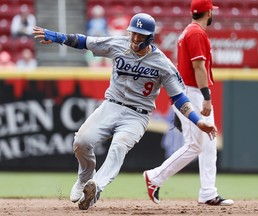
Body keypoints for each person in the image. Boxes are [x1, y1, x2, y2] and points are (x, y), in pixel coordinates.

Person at [33, 12, 217, 211]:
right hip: (111, 105)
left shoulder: (162, 64)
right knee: (81, 142)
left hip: (138, 115)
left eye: (141, 35)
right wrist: (56, 37)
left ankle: (96, 186)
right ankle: (85, 178)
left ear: (150, 37)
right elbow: (84, 41)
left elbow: (179, 98)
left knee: (118, 146)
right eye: (133, 33)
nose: (135, 38)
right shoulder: (118, 44)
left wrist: (198, 121)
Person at [143, 0, 234, 206]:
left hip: (189, 91)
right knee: (195, 145)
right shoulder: (196, 33)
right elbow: (198, 67)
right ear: (208, 12)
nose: (213, 14)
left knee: (209, 143)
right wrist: (206, 97)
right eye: (212, 11)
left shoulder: (189, 31)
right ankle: (155, 177)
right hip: (193, 92)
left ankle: (208, 192)